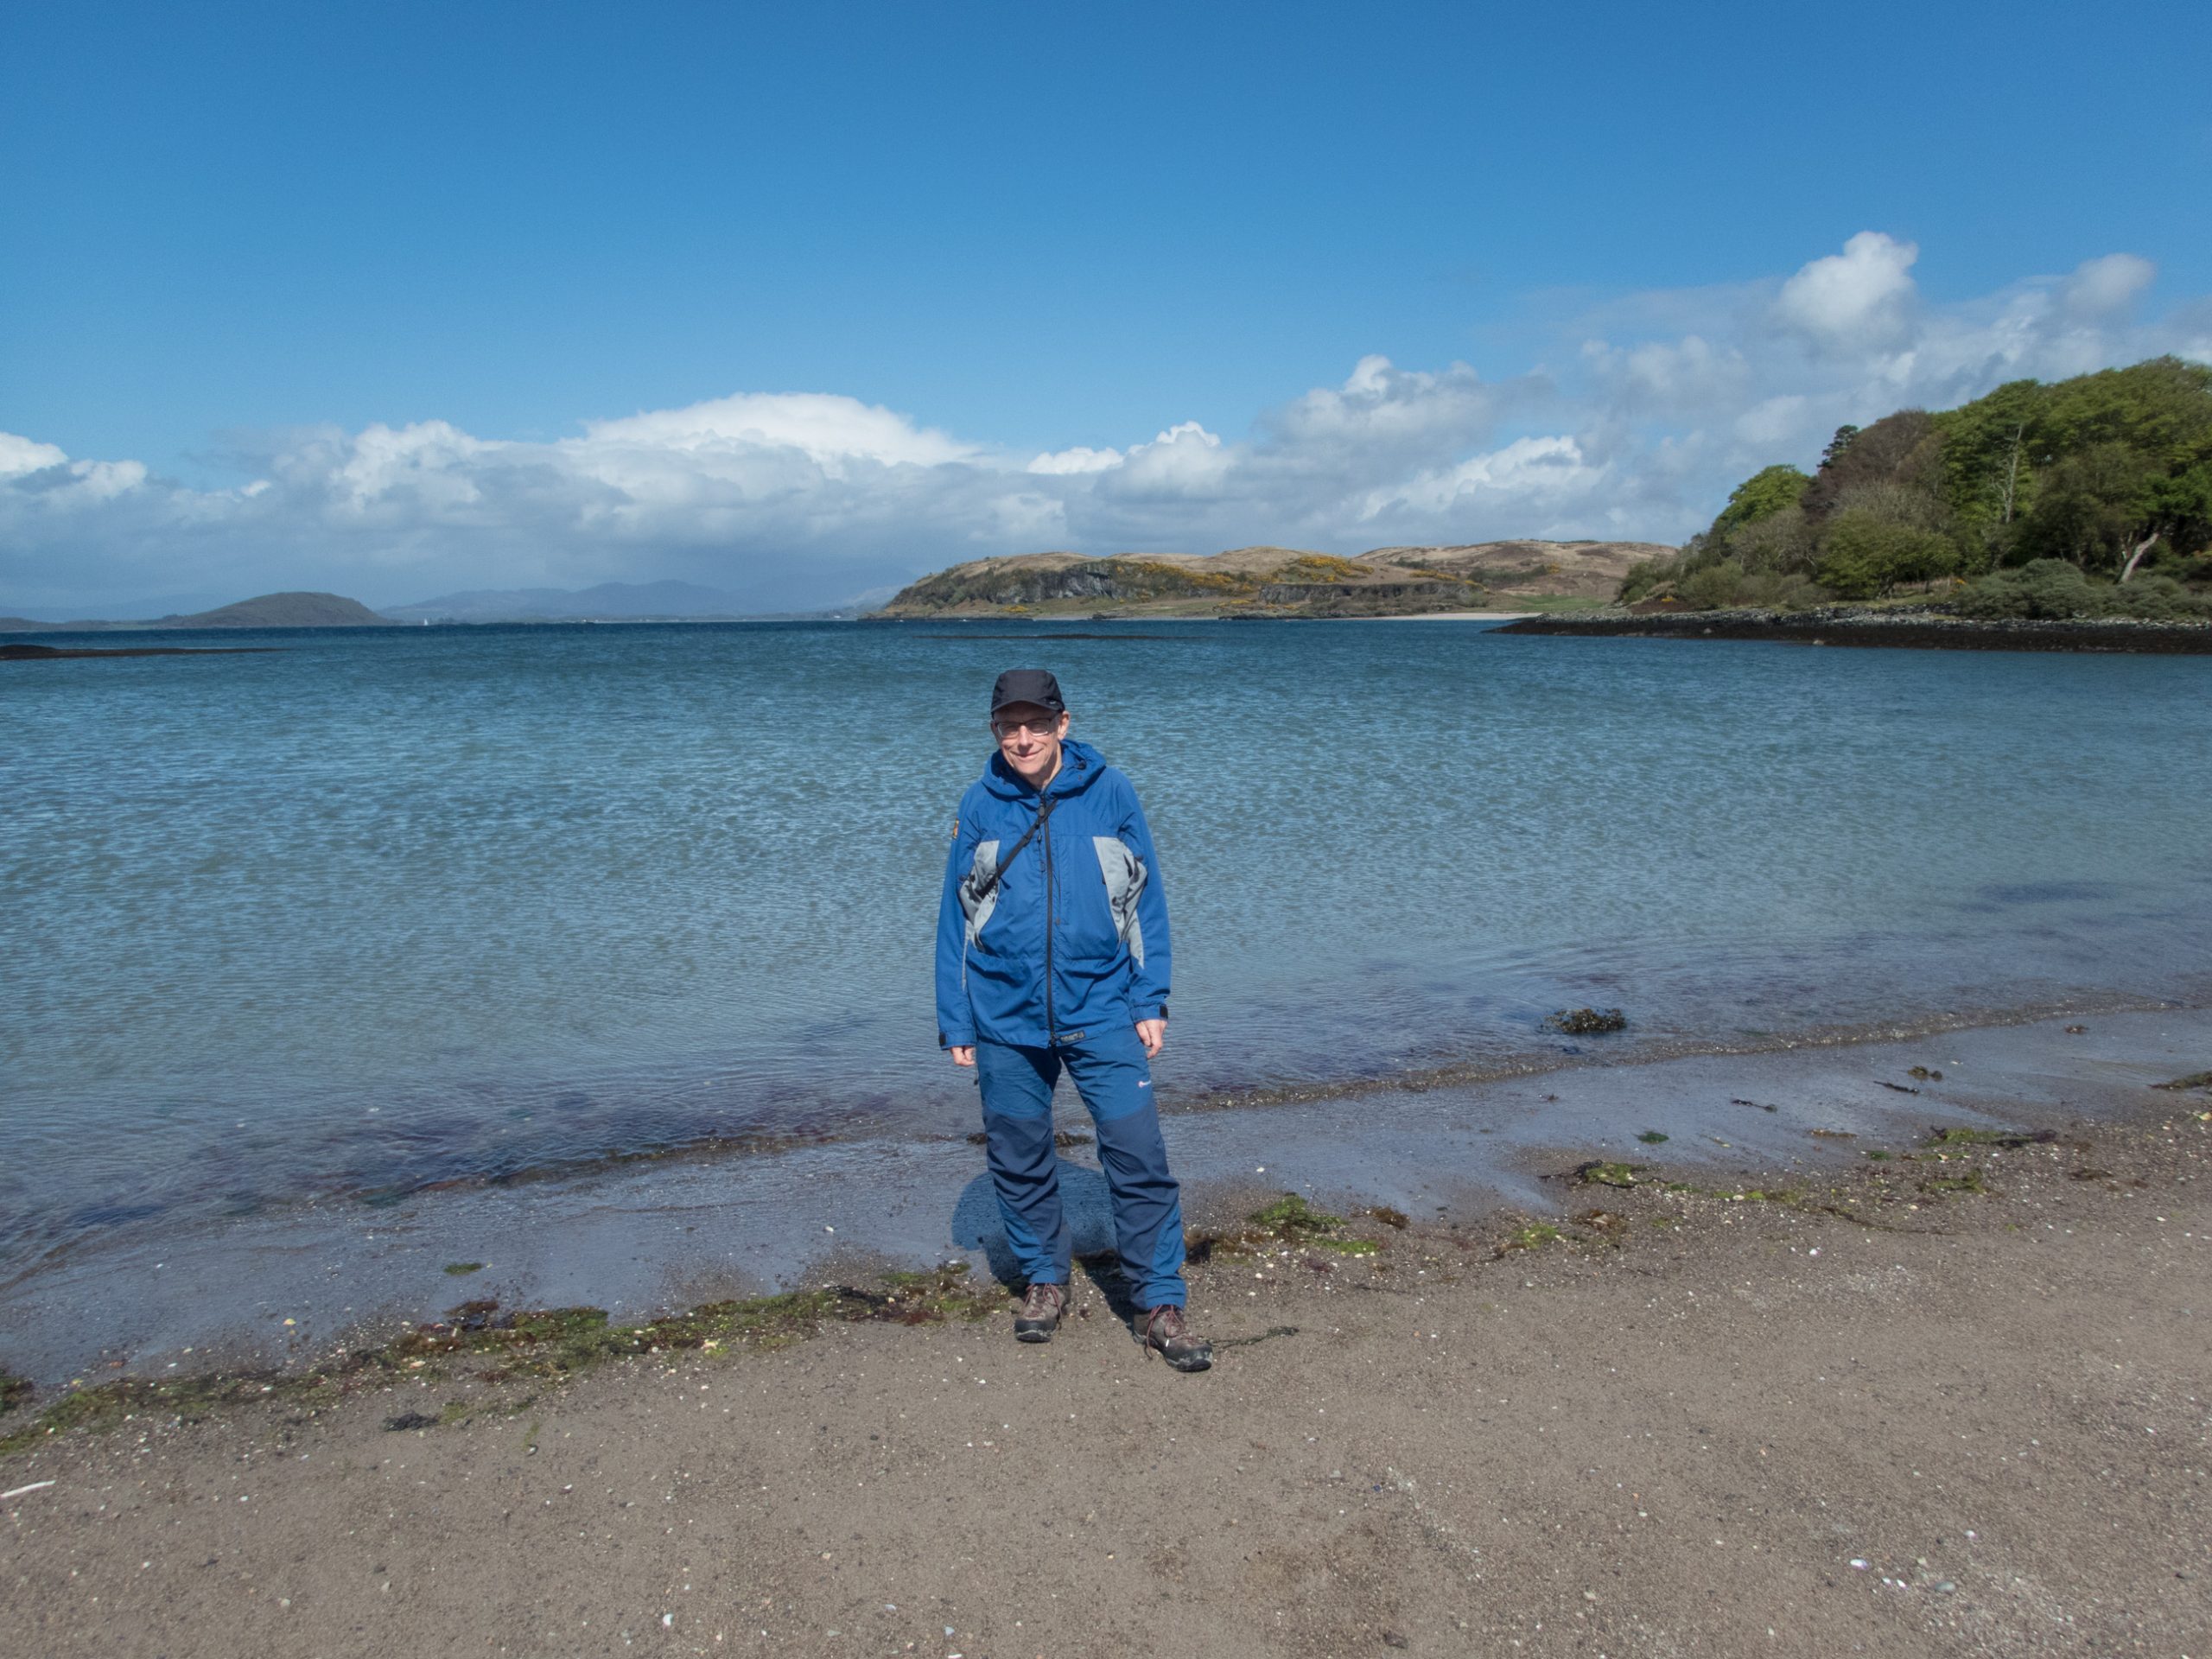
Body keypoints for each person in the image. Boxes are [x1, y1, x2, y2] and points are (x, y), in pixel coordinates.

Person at [934, 669, 1211, 1372]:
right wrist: (956, 1019)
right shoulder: (979, 802)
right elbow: (955, 919)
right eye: (1010, 726)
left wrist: (1150, 998)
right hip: (1004, 1014)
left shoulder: (1111, 791)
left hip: (1103, 1004)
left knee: (1138, 1154)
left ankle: (1158, 1303)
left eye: (1037, 724)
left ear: (1063, 724)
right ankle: (1044, 1281)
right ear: (995, 730)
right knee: (1019, 1155)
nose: (1023, 738)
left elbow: (1146, 900)